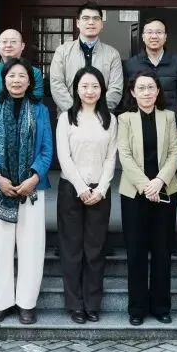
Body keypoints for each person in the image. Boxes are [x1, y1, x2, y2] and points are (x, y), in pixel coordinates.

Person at [0, 58, 53, 326]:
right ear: (4, 80)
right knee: (0, 248)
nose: (17, 80)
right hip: (0, 187)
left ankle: (26, 304)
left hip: (32, 187)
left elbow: (46, 149)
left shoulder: (40, 110)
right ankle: (2, 303)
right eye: (12, 76)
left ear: (30, 81)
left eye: (22, 76)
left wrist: (34, 177)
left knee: (32, 247)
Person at [56, 66, 118, 324]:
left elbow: (111, 157)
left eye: (95, 86)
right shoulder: (66, 118)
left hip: (100, 191)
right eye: (84, 86)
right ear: (76, 89)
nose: (90, 91)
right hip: (71, 189)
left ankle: (92, 304)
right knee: (72, 249)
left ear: (102, 89)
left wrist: (101, 189)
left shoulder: (110, 119)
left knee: (95, 249)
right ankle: (75, 305)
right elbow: (64, 156)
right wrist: (81, 188)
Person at [122, 17, 177, 258]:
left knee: (167, 178)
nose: (154, 36)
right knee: (141, 173)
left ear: (165, 36)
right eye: (149, 32)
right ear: (142, 36)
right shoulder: (132, 63)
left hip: (168, 125)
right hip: (140, 123)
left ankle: (168, 240)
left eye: (159, 32)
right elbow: (127, 94)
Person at [117, 72, 177, 326]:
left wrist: (159, 182)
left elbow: (175, 152)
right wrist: (146, 185)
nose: (146, 92)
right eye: (141, 88)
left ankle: (161, 306)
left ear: (158, 91)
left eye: (150, 87)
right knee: (136, 252)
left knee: (162, 251)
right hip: (134, 194)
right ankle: (137, 308)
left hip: (165, 190)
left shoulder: (168, 116)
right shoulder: (124, 119)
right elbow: (124, 155)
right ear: (133, 92)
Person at [50, 2, 124, 113]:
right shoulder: (62, 51)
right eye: (86, 18)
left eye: (96, 18)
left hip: (102, 117)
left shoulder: (112, 54)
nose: (91, 22)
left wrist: (96, 113)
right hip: (69, 116)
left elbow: (115, 89)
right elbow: (57, 85)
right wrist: (75, 112)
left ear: (101, 24)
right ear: (78, 23)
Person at [0, 29, 44, 116]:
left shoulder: (34, 73)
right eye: (4, 42)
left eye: (13, 42)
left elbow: (36, 101)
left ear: (22, 46)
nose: (8, 45)